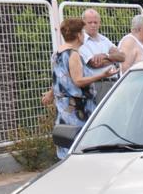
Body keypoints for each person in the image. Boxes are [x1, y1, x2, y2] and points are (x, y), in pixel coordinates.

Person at [51, 17, 117, 158]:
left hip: (63, 107)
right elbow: (78, 81)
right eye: (82, 32)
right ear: (78, 35)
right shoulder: (73, 54)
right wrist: (102, 75)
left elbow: (61, 79)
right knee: (80, 144)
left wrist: (50, 93)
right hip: (77, 109)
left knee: (66, 144)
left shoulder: (58, 53)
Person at [78, 8, 124, 100]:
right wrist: (113, 59)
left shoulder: (104, 39)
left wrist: (105, 56)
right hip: (96, 85)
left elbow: (122, 57)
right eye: (89, 22)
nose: (93, 25)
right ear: (83, 24)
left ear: (100, 23)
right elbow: (95, 64)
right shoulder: (81, 41)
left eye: (95, 22)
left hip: (114, 82)